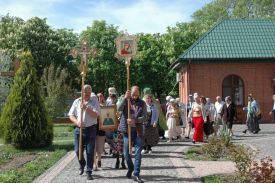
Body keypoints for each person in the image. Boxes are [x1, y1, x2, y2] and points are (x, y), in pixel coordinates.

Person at [68, 85, 100, 180]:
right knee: (78, 151)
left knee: (90, 152)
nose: (88, 94)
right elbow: (71, 115)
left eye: (89, 92)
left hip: (91, 129)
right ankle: (82, 163)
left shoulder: (94, 101)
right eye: (86, 92)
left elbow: (96, 115)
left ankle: (89, 171)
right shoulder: (77, 101)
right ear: (82, 92)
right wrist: (77, 122)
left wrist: (86, 108)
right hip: (79, 130)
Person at [117, 86, 146, 183]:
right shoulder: (126, 100)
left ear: (139, 94)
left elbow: (144, 117)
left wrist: (135, 120)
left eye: (136, 94)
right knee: (126, 153)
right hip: (127, 130)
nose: (134, 96)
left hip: (138, 131)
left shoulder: (142, 103)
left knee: (138, 153)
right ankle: (131, 167)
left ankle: (136, 174)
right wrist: (125, 98)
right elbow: (118, 109)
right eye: (133, 94)